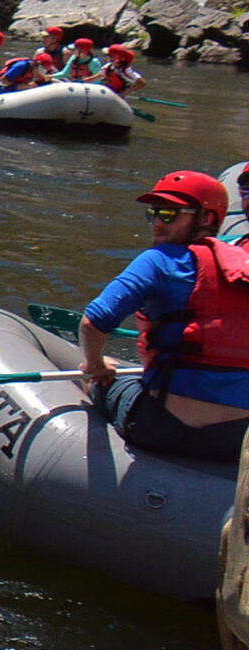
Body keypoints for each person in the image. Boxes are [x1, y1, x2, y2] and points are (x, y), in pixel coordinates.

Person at [81, 171, 249, 465]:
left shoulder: (158, 260)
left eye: (170, 214)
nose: (158, 222)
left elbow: (93, 323)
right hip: (235, 440)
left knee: (99, 377)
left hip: (161, 427)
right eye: (154, 213)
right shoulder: (241, 270)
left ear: (206, 219)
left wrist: (95, 365)